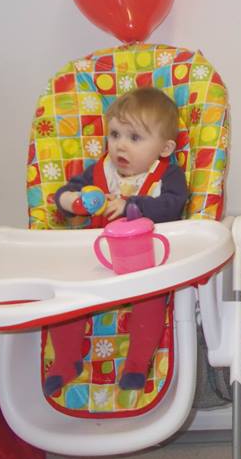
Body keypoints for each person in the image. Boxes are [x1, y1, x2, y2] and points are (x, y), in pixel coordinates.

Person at [43, 87, 188, 396]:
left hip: (145, 264)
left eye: (134, 138)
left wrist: (132, 205)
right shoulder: (100, 172)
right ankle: (67, 361)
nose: (120, 145)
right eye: (114, 134)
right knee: (64, 297)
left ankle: (136, 363)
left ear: (165, 148)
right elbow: (63, 195)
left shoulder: (168, 176)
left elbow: (173, 206)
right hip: (99, 262)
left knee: (150, 300)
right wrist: (74, 202)